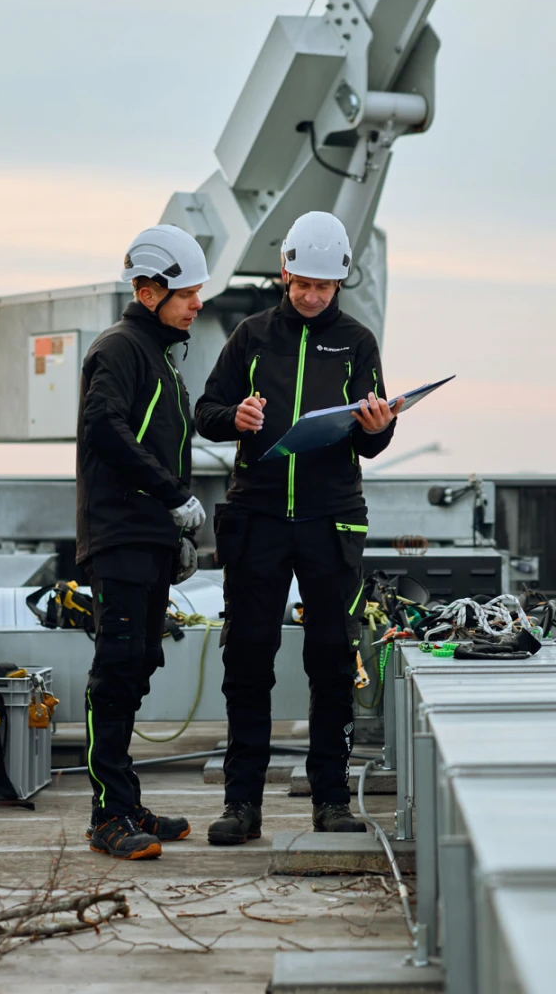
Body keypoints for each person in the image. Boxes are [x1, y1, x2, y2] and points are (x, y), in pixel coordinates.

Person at [194, 211, 404, 845]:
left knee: (333, 659)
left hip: (331, 519)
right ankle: (242, 805)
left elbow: (374, 440)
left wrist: (377, 426)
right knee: (249, 657)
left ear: (340, 281)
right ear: (285, 271)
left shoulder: (358, 342)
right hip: (257, 516)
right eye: (302, 283)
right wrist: (239, 416)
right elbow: (206, 412)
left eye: (324, 286)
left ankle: (332, 801)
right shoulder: (251, 336)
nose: (312, 295)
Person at [76, 224, 208, 860]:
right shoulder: (121, 349)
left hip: (146, 538)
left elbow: (149, 445)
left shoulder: (160, 357)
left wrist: (171, 532)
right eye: (187, 293)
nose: (197, 303)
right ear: (149, 290)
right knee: (116, 671)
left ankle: (125, 802)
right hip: (121, 537)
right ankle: (108, 816)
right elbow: (104, 428)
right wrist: (172, 497)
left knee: (136, 670)